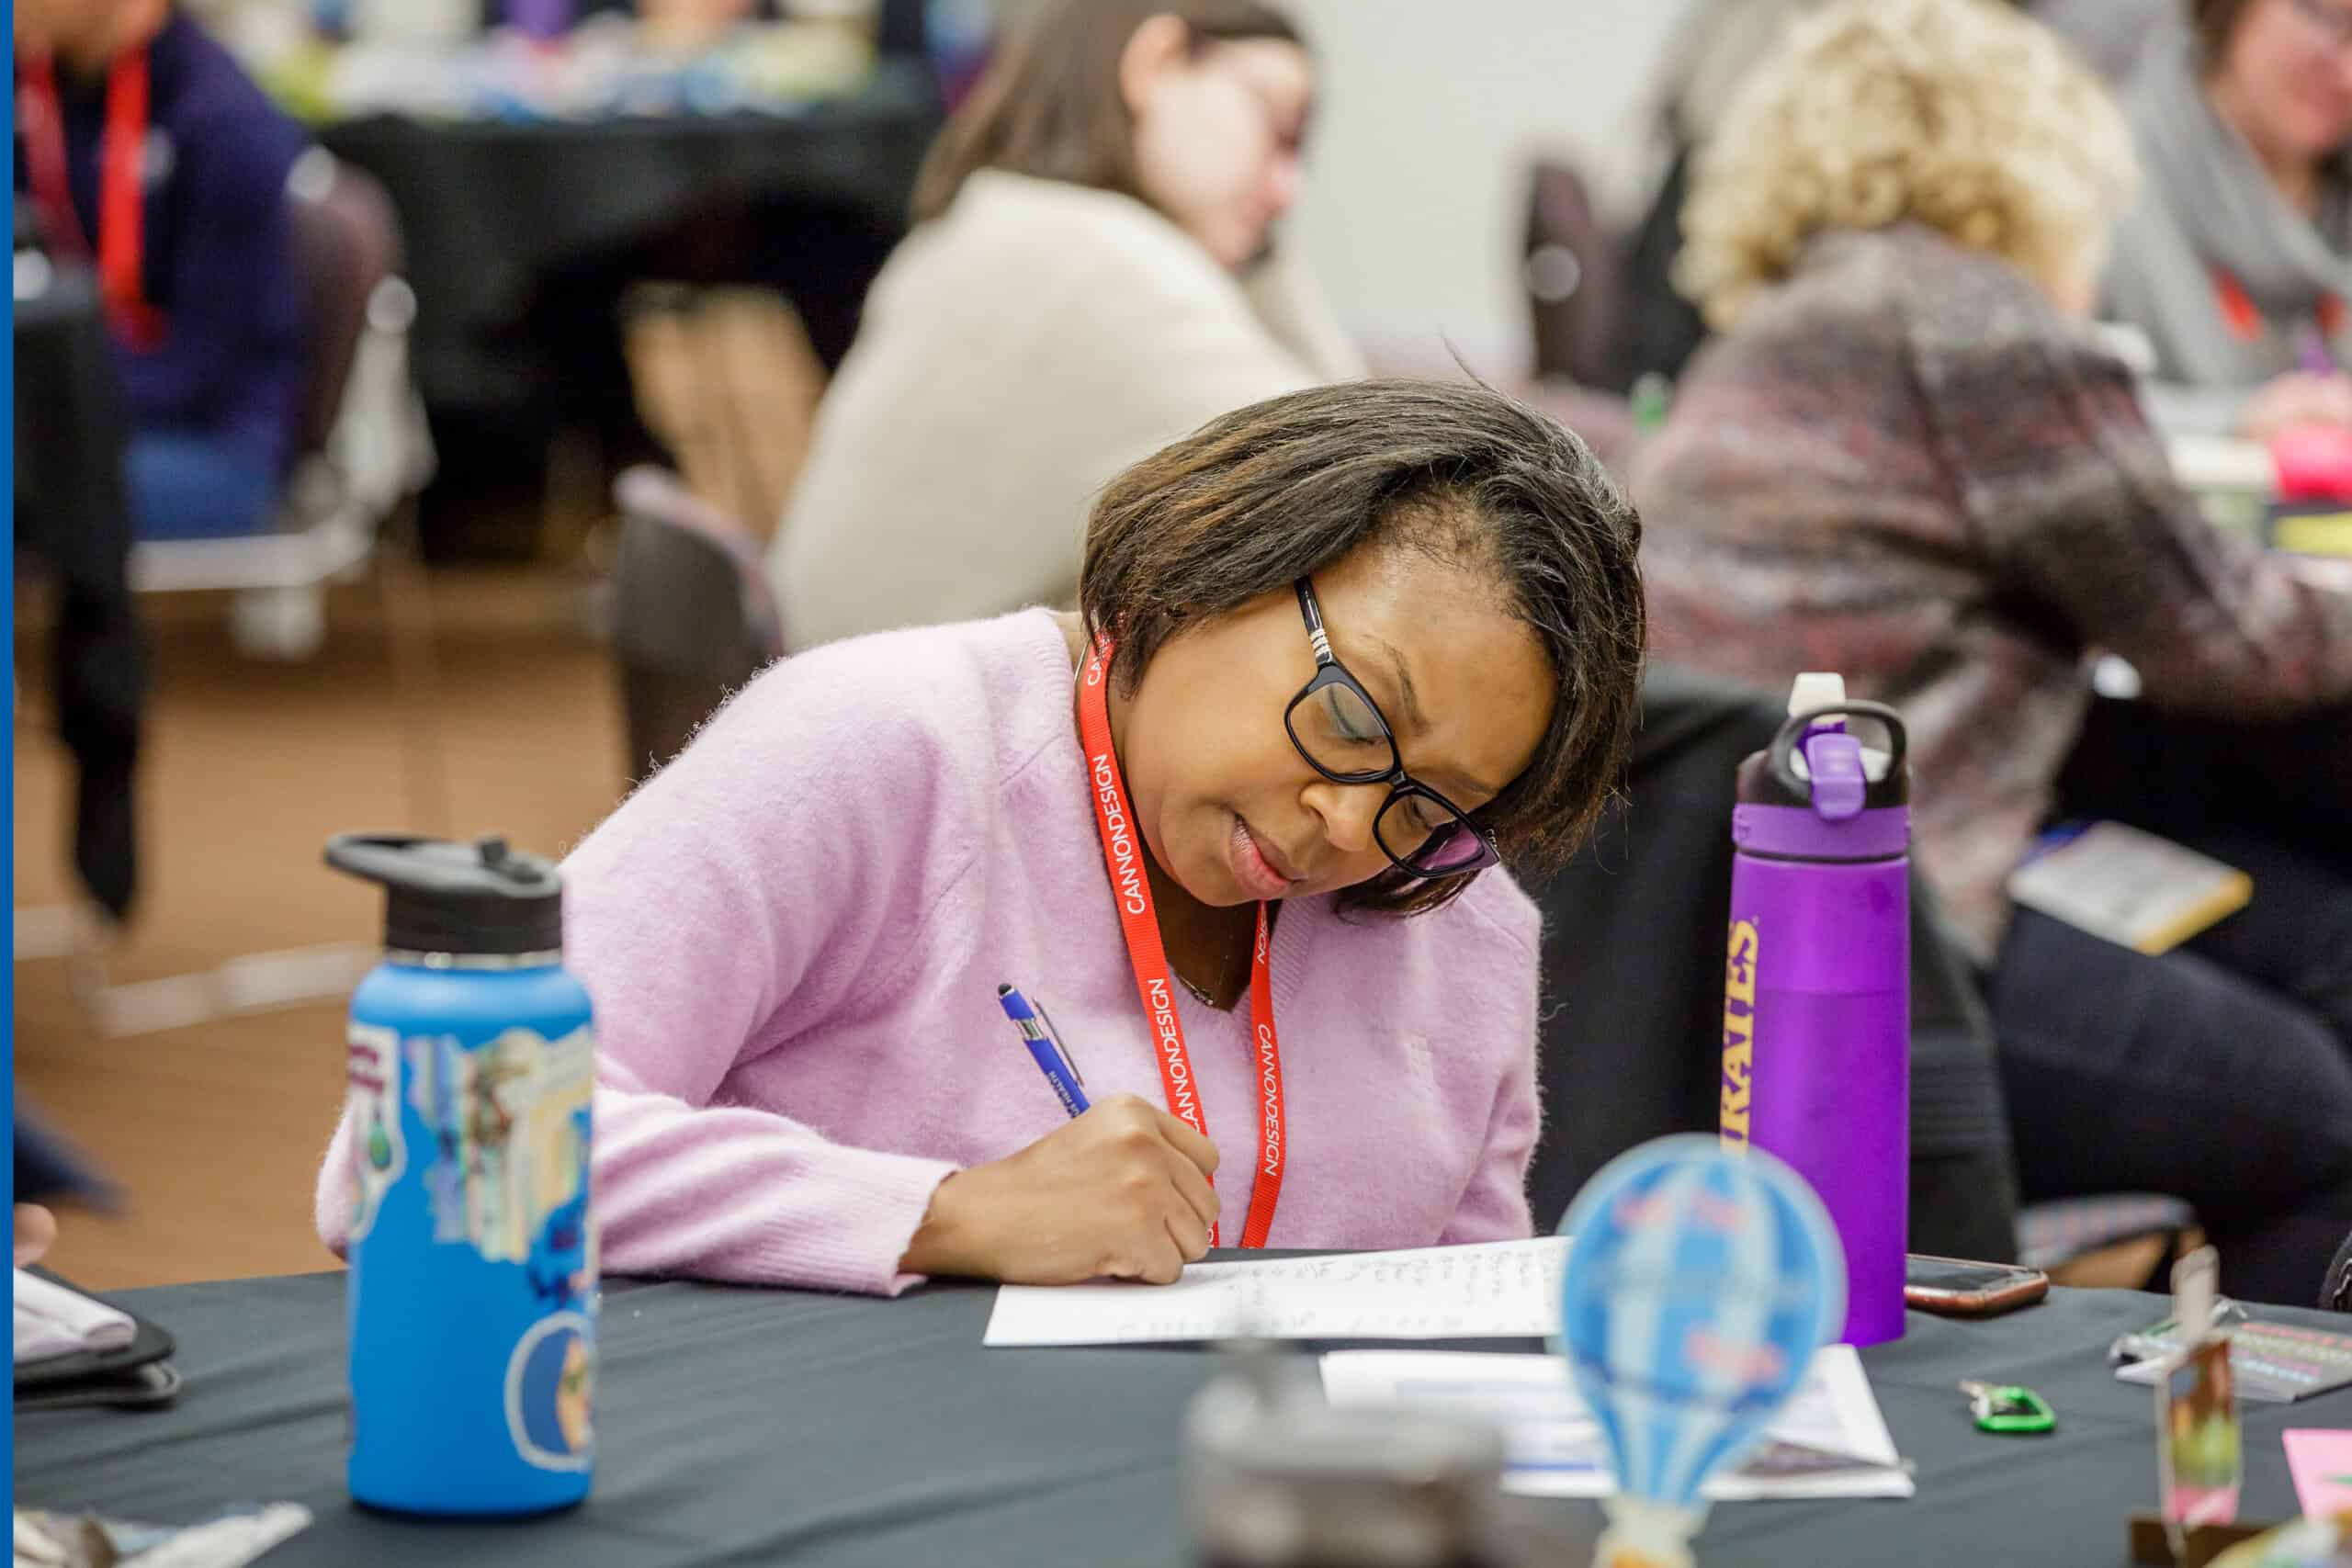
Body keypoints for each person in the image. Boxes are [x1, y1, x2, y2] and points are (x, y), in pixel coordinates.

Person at [318, 379, 1646, 1294]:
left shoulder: (1457, 924)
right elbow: (425, 1153)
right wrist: (946, 1211)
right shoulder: (878, 746)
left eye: (1432, 804)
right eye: (1355, 713)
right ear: (1231, 549)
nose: (1352, 821)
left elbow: (1470, 1337)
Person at [1633, 0, 2352, 1305]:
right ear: (2026, 152)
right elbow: (2227, 633)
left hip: (1725, 917)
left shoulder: (1798, 319)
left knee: (2305, 938)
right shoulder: (1975, 322)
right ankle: (2262, 1456)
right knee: (2313, 1106)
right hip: (1894, 923)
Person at [768, 0, 1363, 651]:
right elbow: (1362, 495)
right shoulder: (1109, 270)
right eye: (1278, 127)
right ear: (1157, 62)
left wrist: (1252, 240)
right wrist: (1263, 253)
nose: (1289, 187)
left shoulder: (1000, 216)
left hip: (833, 692)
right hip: (908, 731)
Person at [13, 0, 308, 542]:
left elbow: (199, 374)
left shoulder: (225, 121)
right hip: (67, 417)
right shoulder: (34, 90)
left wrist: (41, 401)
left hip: (206, 440)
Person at [2102, 0, 2352, 438]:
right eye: (2323, 15)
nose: (2347, 69)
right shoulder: (2100, 174)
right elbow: (2042, 410)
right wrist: (2232, 422)